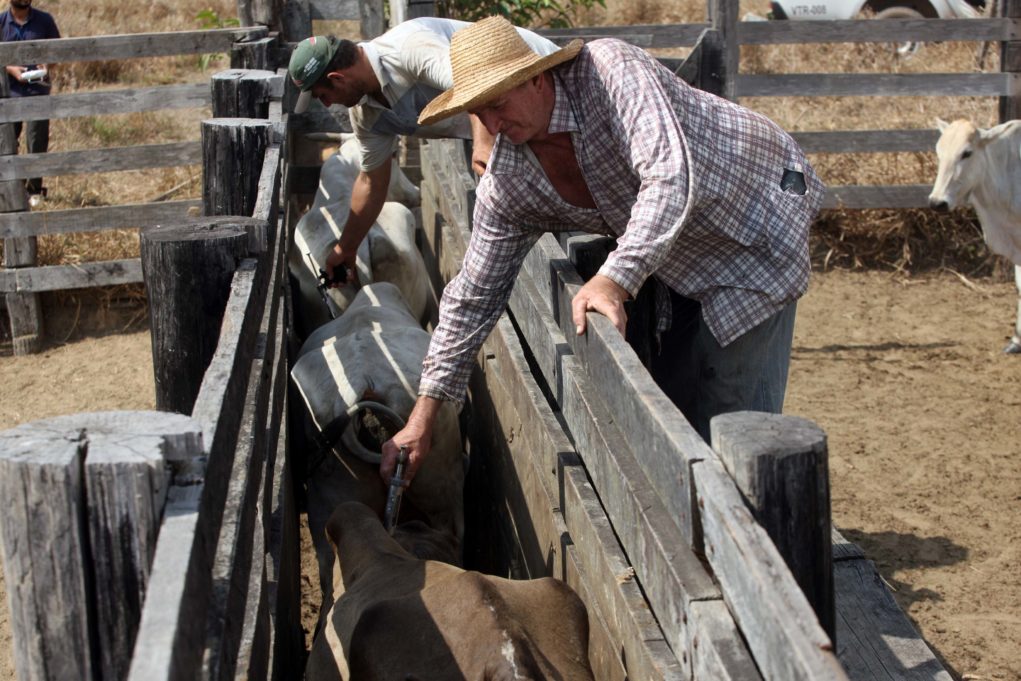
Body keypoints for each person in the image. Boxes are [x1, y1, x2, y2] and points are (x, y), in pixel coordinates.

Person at [380, 16, 825, 483]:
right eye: (478, 112)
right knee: (674, 405)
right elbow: (471, 296)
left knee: (731, 409)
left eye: (497, 103)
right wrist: (422, 418)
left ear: (534, 77)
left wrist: (614, 278)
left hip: (753, 220)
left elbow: (669, 178)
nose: (492, 124)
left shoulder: (610, 72)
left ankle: (752, 537)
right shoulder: (510, 183)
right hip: (680, 255)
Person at [287, 18, 556, 283]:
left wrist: (483, 145)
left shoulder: (408, 47)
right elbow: (371, 182)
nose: (327, 104)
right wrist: (346, 248)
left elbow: (476, 85)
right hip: (513, 127)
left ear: (337, 78)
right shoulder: (366, 115)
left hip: (548, 86)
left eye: (323, 96)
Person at [0, 0, 59, 207]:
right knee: (7, 142)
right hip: (8, 93)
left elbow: (58, 51)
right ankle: (9, 189)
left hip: (37, 90)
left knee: (37, 141)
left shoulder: (45, 21)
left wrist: (47, 63)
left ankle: (34, 190)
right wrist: (10, 69)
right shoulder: (0, 22)